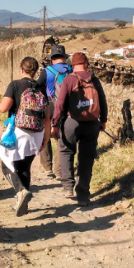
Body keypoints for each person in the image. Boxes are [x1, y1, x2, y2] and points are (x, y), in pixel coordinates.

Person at [0, 57, 51, 216]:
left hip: (18, 132)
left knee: (6, 164)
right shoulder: (42, 88)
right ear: (35, 71)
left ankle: (21, 191)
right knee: (25, 167)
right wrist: (46, 138)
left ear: (21, 69)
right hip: (37, 133)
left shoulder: (15, 85)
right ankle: (22, 203)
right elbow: (47, 117)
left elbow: (3, 108)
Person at [51, 52, 108, 207]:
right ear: (87, 64)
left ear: (72, 64)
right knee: (86, 158)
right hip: (91, 123)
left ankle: (68, 186)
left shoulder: (69, 79)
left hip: (71, 122)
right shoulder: (94, 80)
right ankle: (83, 195)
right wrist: (103, 121)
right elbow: (102, 101)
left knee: (66, 150)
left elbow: (60, 103)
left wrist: (55, 124)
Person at [36, 45, 71, 179]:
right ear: (64, 58)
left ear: (52, 59)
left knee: (45, 135)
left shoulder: (47, 71)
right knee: (62, 138)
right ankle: (59, 168)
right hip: (66, 107)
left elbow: (37, 86)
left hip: (50, 105)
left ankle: (47, 168)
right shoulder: (71, 70)